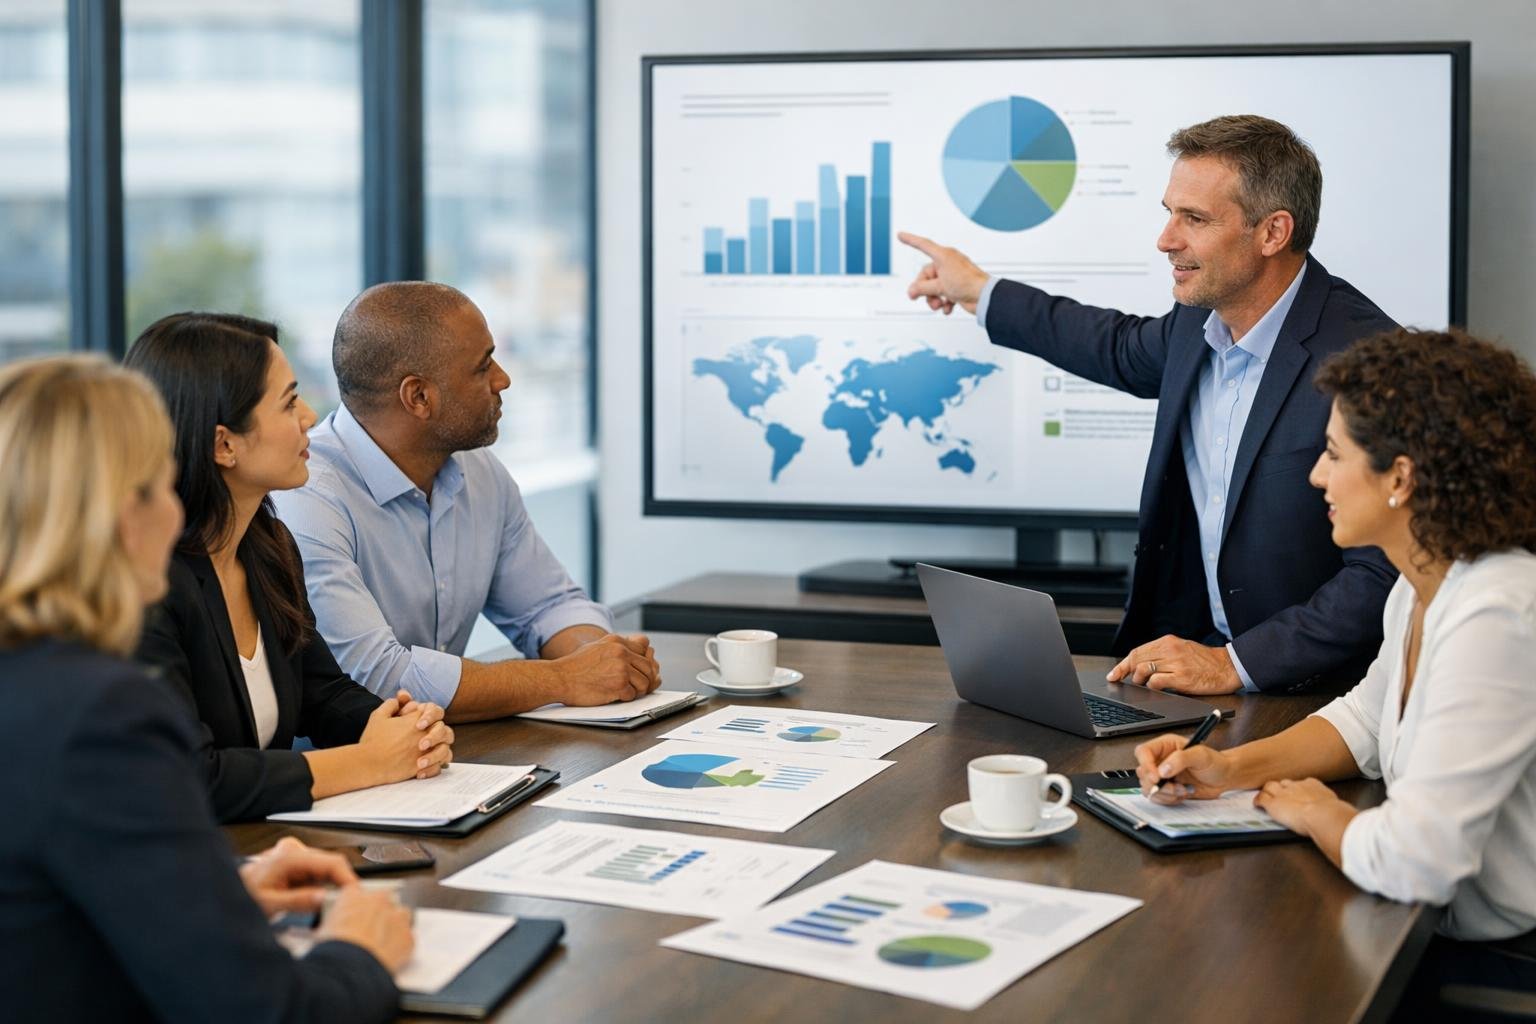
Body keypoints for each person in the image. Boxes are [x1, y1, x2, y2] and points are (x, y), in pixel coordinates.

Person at [901, 114, 1398, 695]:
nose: (1166, 239)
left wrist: (1236, 664)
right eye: (1169, 212)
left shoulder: (1371, 363)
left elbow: (1384, 574)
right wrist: (978, 291)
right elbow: (1108, 343)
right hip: (1186, 674)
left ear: (1273, 232)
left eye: (1195, 219)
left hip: (1315, 697)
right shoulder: (1197, 322)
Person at [0, 355, 412, 1022]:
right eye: (162, 487)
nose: (175, 514)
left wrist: (215, 893)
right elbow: (269, 1011)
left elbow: (38, 900)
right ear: (116, 517)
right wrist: (359, 950)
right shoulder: (101, 714)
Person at [1134, 329, 1536, 994]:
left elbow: (1416, 862)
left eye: (1332, 453)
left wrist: (1318, 811)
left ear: (1400, 478)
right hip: (1430, 928)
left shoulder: (1497, 613)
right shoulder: (1423, 583)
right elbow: (1366, 723)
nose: (1317, 475)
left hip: (1498, 960)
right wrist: (1228, 771)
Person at [272, 282, 661, 722]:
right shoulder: (306, 496)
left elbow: (547, 605)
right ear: (418, 397)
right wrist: (564, 679)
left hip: (446, 758)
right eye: (482, 367)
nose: (503, 379)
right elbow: (376, 676)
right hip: (349, 771)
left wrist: (602, 660)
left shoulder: (479, 472)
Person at [126, 313, 454, 823]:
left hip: (261, 852)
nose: (308, 415)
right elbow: (190, 777)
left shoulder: (268, 546)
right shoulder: (145, 585)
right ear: (223, 445)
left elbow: (319, 693)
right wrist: (367, 762)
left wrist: (399, 725)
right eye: (288, 401)